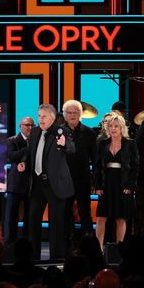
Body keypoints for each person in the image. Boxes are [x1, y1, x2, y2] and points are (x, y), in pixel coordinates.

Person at [24, 104, 74, 260]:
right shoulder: (36, 132)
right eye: (39, 116)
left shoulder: (61, 131)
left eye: (43, 116)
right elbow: (29, 153)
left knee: (57, 223)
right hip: (38, 184)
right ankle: (32, 257)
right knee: (33, 220)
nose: (40, 119)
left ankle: (57, 257)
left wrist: (64, 144)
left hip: (55, 185)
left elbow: (71, 148)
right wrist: (23, 163)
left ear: (52, 117)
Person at [93, 111, 139, 248]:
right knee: (101, 218)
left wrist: (130, 186)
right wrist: (98, 186)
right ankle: (98, 248)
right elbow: (96, 167)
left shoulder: (130, 144)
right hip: (106, 183)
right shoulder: (102, 144)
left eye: (116, 126)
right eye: (111, 126)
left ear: (122, 128)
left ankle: (120, 249)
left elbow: (135, 167)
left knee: (120, 218)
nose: (113, 128)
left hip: (123, 184)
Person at [61, 100, 98, 250]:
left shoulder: (89, 133)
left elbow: (95, 158)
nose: (72, 115)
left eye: (75, 112)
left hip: (82, 179)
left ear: (80, 114)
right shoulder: (58, 131)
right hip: (63, 180)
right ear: (64, 115)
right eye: (69, 113)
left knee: (85, 212)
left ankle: (88, 244)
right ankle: (65, 245)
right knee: (64, 213)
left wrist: (96, 180)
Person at [4, 116, 34, 244]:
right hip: (16, 182)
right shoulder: (12, 140)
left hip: (32, 182)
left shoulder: (36, 141)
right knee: (12, 214)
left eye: (32, 125)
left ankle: (27, 242)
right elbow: (11, 156)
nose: (30, 128)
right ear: (20, 126)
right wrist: (28, 147)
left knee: (30, 215)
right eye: (27, 125)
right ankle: (10, 241)